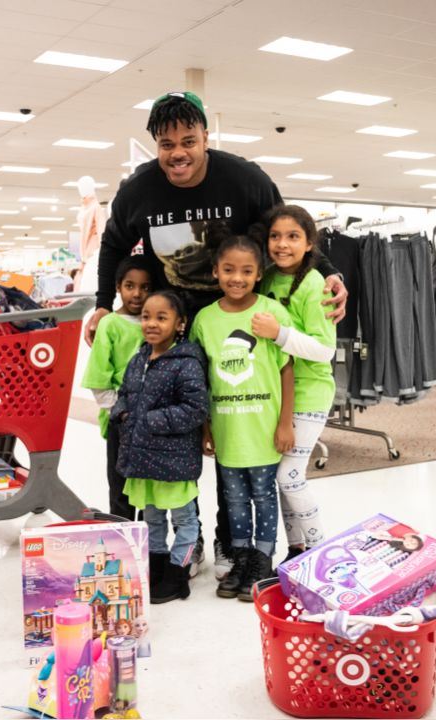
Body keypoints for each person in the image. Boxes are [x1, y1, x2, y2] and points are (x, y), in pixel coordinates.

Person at [84, 91, 349, 581]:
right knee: (159, 428)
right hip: (178, 327)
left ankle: (238, 543)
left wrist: (329, 272)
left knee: (236, 431)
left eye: (189, 140)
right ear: (155, 146)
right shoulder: (138, 190)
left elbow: (288, 229)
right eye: (166, 144)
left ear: (207, 137)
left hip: (242, 316)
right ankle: (165, 538)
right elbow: (114, 242)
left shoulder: (242, 178)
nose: (178, 153)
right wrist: (103, 303)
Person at [191, 227, 294, 601]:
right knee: (233, 500)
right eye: (230, 270)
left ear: (259, 273)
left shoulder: (271, 312)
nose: (238, 278)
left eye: (247, 271)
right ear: (216, 271)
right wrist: (206, 427)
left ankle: (262, 561)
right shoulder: (204, 320)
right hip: (227, 428)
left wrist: (285, 422)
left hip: (263, 427)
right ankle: (241, 558)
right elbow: (200, 378)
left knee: (264, 496)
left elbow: (286, 368)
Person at [250, 205, 335, 562]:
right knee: (280, 480)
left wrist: (280, 333)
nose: (282, 244)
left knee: (289, 477)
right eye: (275, 236)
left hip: (310, 392)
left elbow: (324, 349)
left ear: (309, 242)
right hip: (277, 393)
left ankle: (320, 550)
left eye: (293, 236)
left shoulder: (315, 284)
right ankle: (296, 550)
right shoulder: (267, 279)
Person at [111, 290, 207, 604]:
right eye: (147, 317)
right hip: (142, 458)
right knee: (150, 517)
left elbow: (195, 409)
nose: (151, 323)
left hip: (174, 462)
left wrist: (151, 420)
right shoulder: (139, 358)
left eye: (161, 317)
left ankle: (179, 573)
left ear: (180, 324)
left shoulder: (186, 363)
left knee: (184, 518)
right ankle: (156, 565)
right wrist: (123, 414)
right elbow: (124, 393)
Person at [81, 257, 152, 522]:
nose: (137, 293)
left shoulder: (157, 323)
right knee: (121, 485)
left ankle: (150, 544)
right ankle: (123, 541)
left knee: (150, 488)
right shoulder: (110, 324)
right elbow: (99, 378)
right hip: (120, 421)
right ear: (118, 287)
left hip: (152, 420)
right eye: (130, 285)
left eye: (145, 287)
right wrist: (121, 412)